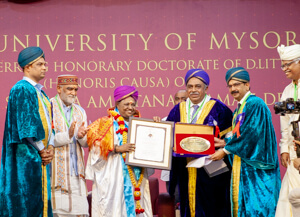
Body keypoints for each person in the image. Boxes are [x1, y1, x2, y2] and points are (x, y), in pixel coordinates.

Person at [211, 67, 281, 217]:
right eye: (230, 86)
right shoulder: (240, 108)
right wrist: (224, 142)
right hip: (245, 170)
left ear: (247, 84)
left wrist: (224, 151)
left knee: (258, 209)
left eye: (237, 84)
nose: (233, 89)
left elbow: (252, 135)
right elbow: (240, 134)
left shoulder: (255, 104)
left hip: (258, 172)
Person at [164, 69, 233, 217]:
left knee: (214, 208)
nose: (193, 90)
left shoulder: (220, 109)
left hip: (212, 171)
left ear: (206, 88)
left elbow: (232, 139)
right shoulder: (177, 110)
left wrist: (223, 144)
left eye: (198, 86)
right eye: (190, 86)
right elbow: (168, 137)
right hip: (185, 170)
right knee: (187, 207)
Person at [0, 47, 54, 217]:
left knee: (39, 203)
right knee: (26, 205)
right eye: (40, 64)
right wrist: (42, 150)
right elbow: (27, 128)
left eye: (45, 64)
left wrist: (50, 146)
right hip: (25, 159)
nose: (45, 67)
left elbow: (48, 126)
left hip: (38, 158)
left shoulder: (41, 93)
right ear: (28, 67)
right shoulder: (22, 89)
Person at [86, 85, 152, 217]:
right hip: (113, 179)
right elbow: (94, 147)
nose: (130, 107)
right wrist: (116, 148)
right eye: (126, 103)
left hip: (136, 178)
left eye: (133, 104)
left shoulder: (141, 125)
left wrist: (155, 127)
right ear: (117, 103)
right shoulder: (104, 123)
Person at [50, 75, 89, 217]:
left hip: (76, 172)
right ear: (58, 89)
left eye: (75, 89)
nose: (73, 93)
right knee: (58, 212)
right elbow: (46, 140)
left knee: (80, 212)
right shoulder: (49, 107)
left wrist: (81, 136)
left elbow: (84, 143)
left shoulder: (80, 111)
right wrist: (69, 135)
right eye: (69, 89)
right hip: (56, 172)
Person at [275, 44, 300, 217]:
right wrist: (284, 148)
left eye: (288, 64)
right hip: (293, 153)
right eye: (283, 65)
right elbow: (285, 122)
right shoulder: (287, 90)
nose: (284, 69)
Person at [160, 89, 187, 197]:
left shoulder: (196, 120)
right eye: (177, 99)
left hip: (192, 169)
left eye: (184, 99)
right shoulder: (165, 121)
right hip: (172, 171)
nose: (180, 102)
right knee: (175, 202)